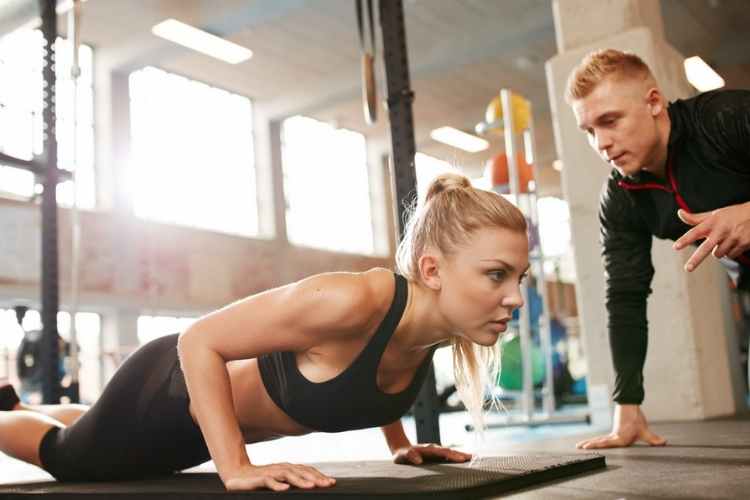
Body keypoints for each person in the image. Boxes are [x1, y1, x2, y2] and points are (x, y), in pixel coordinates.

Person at [0, 173, 530, 491]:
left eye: (518, 276)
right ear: (433, 270)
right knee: (71, 457)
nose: (515, 297)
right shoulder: (351, 299)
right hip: (170, 392)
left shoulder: (437, 324)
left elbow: (379, 367)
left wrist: (401, 444)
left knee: (96, 425)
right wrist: (236, 468)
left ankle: (21, 406)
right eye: (496, 275)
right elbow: (198, 341)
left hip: (199, 430)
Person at [565, 48, 750, 450]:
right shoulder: (622, 197)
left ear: (653, 103)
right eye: (589, 130)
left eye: (610, 121)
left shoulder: (723, 118)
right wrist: (626, 404)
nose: (602, 143)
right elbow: (625, 296)